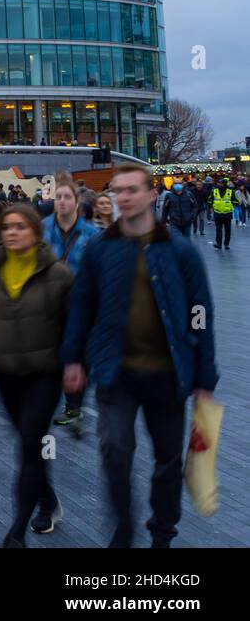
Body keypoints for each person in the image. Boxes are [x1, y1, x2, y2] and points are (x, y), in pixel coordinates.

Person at [61, 163, 219, 548]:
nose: (124, 197)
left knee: (167, 462)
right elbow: (81, 305)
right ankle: (123, 527)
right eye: (118, 190)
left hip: (168, 374)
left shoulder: (180, 251)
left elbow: (200, 313)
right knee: (115, 451)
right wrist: (73, 358)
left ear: (152, 194)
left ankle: (162, 532)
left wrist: (204, 378)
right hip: (117, 372)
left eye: (133, 190)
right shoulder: (101, 249)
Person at [0, 203, 75, 546]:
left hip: (45, 372)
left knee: (27, 445)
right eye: (7, 226)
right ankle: (48, 501)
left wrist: (75, 369)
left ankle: (16, 532)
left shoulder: (58, 275)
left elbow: (78, 323)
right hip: (7, 371)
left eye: (20, 226)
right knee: (31, 445)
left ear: (36, 232)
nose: (12, 232)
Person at [44, 172, 101, 437]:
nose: (63, 202)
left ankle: (73, 406)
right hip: (51, 302)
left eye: (67, 197)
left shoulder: (91, 234)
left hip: (81, 303)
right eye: (58, 197)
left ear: (77, 202)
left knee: (80, 353)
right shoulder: (43, 229)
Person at [210, 175, 234, 250]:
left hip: (227, 214)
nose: (219, 184)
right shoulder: (214, 191)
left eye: (220, 183)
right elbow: (210, 200)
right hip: (217, 213)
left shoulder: (230, 191)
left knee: (227, 230)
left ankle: (226, 244)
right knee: (218, 230)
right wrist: (212, 206)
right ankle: (219, 244)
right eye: (218, 183)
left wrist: (230, 205)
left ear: (224, 184)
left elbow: (235, 201)